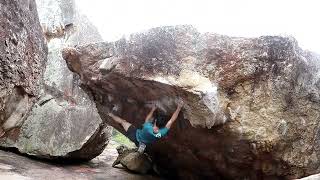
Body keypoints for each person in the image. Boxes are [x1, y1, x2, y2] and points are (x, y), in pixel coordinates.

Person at [108, 100, 184, 153]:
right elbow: (171, 120)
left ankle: (111, 115)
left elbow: (147, 119)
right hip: (147, 142)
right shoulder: (162, 132)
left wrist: (153, 109)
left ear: (155, 122)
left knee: (123, 122)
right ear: (163, 126)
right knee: (145, 140)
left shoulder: (148, 127)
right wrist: (179, 108)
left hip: (135, 135)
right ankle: (142, 145)